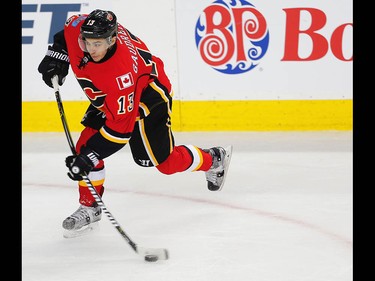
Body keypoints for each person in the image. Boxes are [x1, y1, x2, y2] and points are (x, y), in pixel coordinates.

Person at [37, 9, 233, 234]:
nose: (91, 50)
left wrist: (89, 158)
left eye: (97, 44)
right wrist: (57, 56)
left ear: (112, 40)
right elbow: (65, 36)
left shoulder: (121, 76)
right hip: (110, 96)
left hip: (147, 97)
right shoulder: (82, 30)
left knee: (164, 163)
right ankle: (90, 206)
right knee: (85, 145)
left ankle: (214, 159)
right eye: (87, 42)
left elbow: (119, 132)